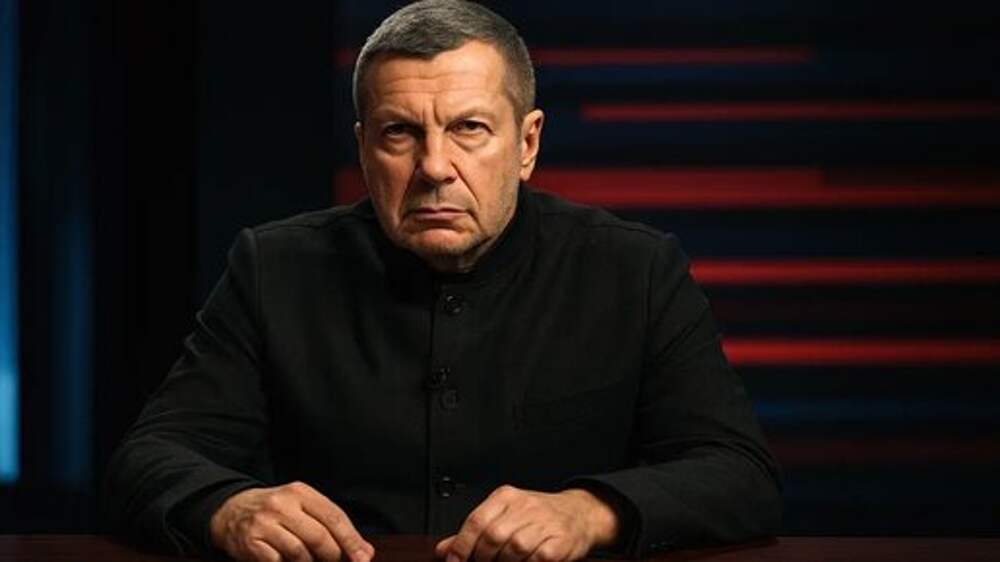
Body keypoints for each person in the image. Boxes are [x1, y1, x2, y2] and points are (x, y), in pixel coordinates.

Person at [103, 1, 783, 561]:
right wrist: (227, 508)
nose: (433, 166)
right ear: (364, 147)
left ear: (527, 144)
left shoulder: (636, 269)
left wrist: (589, 512)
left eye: (469, 129)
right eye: (400, 133)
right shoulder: (272, 267)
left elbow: (741, 475)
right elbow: (148, 458)